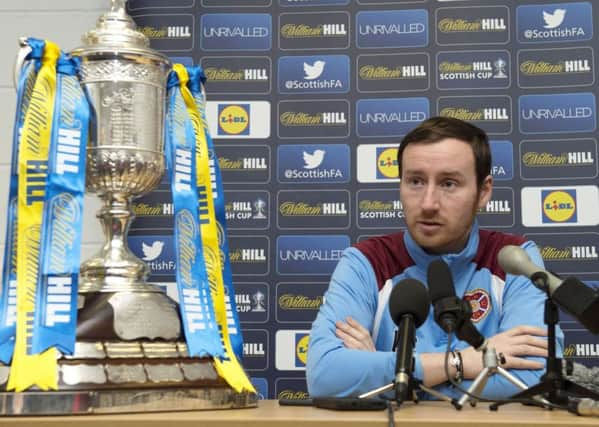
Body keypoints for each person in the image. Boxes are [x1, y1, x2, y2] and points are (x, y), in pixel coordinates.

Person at [306, 116, 562, 399]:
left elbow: (534, 378)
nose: (428, 203)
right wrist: (462, 363)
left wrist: (387, 371)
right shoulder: (366, 261)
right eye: (415, 181)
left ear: (483, 192)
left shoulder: (513, 259)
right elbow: (325, 376)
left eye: (449, 183)